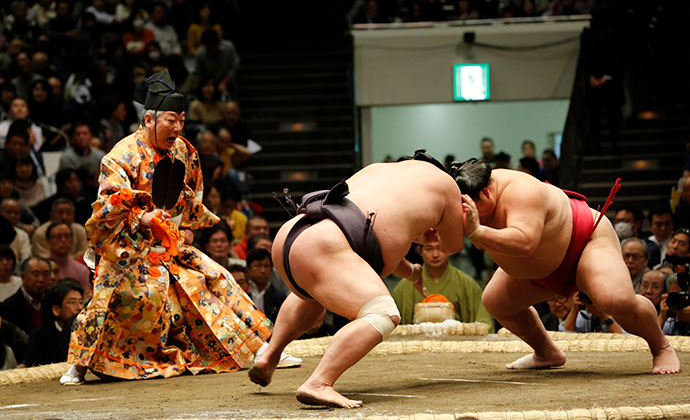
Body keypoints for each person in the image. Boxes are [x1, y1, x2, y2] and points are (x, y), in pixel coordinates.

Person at [61, 70, 271, 385]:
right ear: (148, 120)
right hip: (127, 248)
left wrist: (184, 225)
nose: (178, 128)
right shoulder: (120, 155)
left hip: (169, 244)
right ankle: (79, 365)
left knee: (217, 280)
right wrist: (143, 219)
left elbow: (191, 193)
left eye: (182, 120)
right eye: (171, 120)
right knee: (111, 298)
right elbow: (108, 202)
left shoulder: (184, 150)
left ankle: (262, 350)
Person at [249, 150, 466, 408]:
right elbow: (453, 245)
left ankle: (270, 355)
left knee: (314, 293)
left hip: (292, 234)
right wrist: (451, 227)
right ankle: (319, 382)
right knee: (383, 314)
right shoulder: (445, 184)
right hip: (327, 245)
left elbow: (372, 237)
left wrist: (412, 272)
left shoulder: (378, 171)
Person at [454, 158, 679, 374]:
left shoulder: (522, 190)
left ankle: (661, 347)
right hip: (540, 271)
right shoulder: (464, 203)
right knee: (496, 302)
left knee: (616, 300)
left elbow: (525, 242)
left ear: (485, 193)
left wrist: (477, 231)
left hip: (584, 246)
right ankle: (546, 352)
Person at [392, 241, 494, 330]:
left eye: (440, 248)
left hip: (456, 346)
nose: (435, 254)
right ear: (420, 251)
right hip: (416, 346)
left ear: (449, 250)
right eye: (429, 249)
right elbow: (392, 324)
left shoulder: (467, 284)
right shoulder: (405, 286)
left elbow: (483, 324)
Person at [23, 279, 83, 366]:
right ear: (56, 310)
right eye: (73, 302)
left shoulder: (86, 334)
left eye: (81, 302)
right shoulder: (39, 337)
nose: (79, 308)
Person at [0, 256, 52, 334]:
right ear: (23, 277)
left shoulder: (53, 300)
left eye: (45, 274)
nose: (41, 279)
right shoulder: (8, 307)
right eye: (36, 274)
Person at [46, 221, 92, 298]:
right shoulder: (41, 268)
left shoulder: (81, 270)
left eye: (67, 236)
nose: (63, 240)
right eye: (58, 236)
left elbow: (86, 298)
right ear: (48, 241)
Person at [247, 248, 286, 324]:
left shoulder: (279, 296)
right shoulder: (242, 292)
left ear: (272, 269)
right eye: (258, 266)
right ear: (248, 269)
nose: (263, 271)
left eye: (266, 266)